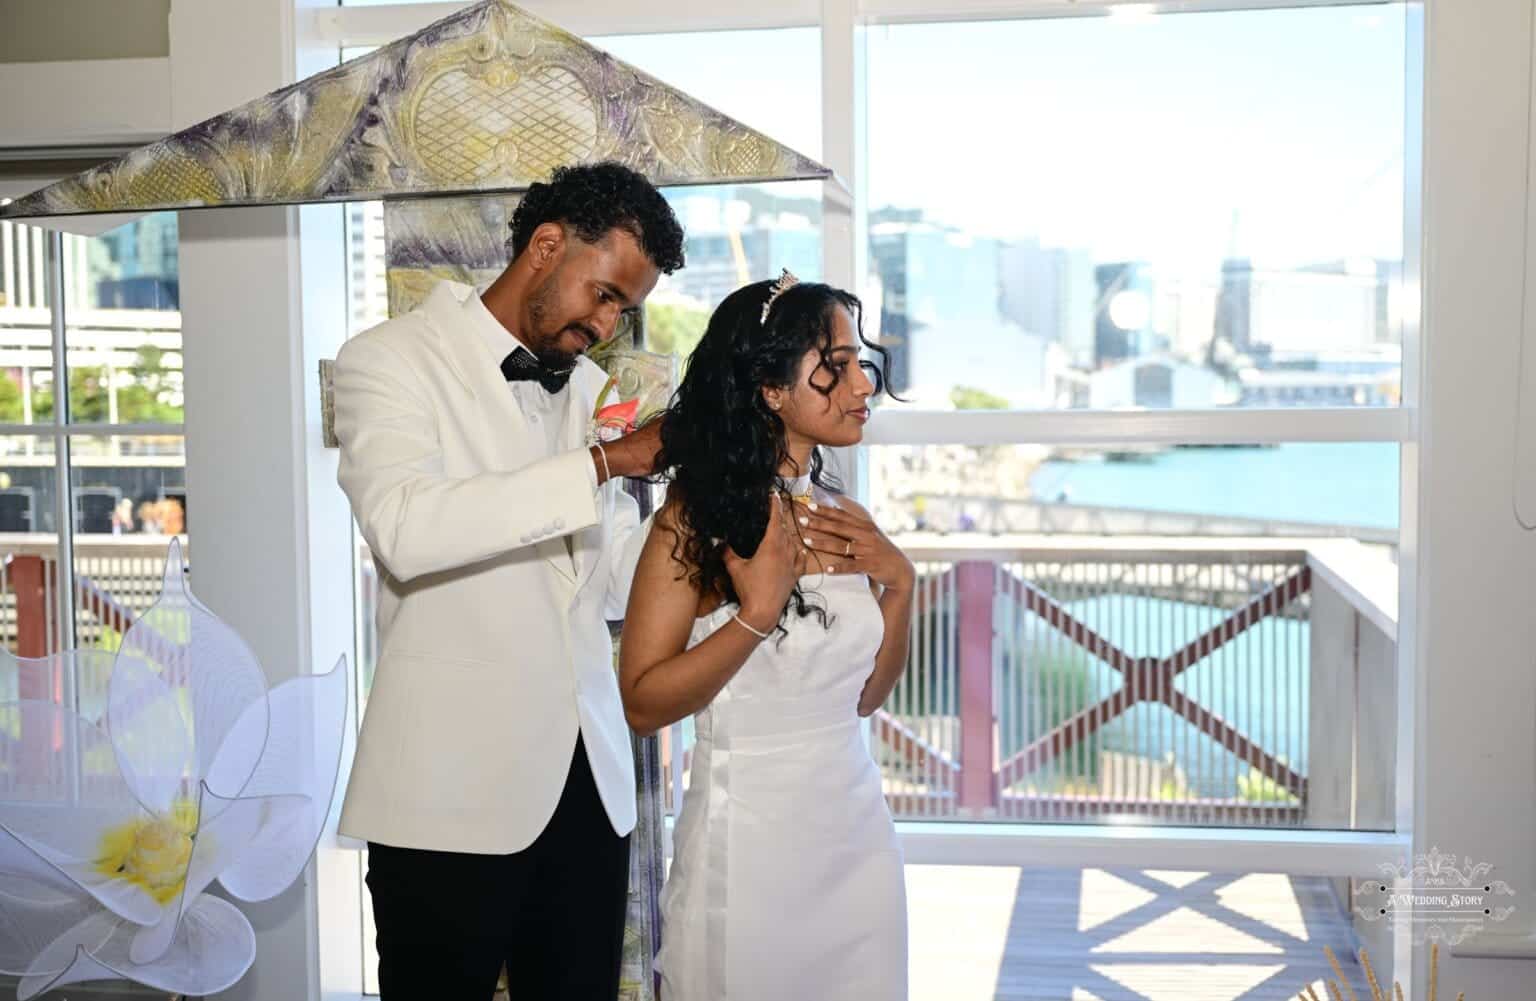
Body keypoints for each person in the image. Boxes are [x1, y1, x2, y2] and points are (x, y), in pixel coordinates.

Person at [331, 161, 685, 1000]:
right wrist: (604, 461)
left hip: (587, 790)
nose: (605, 326)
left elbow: (603, 587)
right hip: (446, 791)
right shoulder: (389, 359)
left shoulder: (590, 387)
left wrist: (696, 508)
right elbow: (407, 528)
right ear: (547, 245)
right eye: (603, 296)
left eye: (624, 312)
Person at [619, 271, 915, 1000]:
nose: (861, 386)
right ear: (771, 389)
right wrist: (755, 614)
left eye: (859, 364)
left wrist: (901, 583)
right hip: (749, 847)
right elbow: (642, 701)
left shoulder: (841, 509)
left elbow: (866, 698)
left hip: (856, 837)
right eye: (834, 366)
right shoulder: (696, 521)